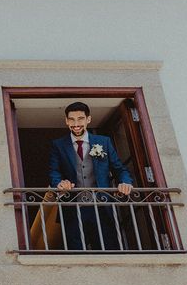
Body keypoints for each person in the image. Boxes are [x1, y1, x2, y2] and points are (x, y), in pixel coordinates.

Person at [48, 101, 133, 250]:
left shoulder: (103, 142)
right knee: (75, 252)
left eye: (80, 118)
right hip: (73, 209)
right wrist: (59, 184)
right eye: (72, 119)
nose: (76, 124)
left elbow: (120, 169)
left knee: (108, 250)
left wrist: (125, 182)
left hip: (102, 208)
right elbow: (54, 171)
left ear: (88, 119)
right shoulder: (58, 145)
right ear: (66, 121)